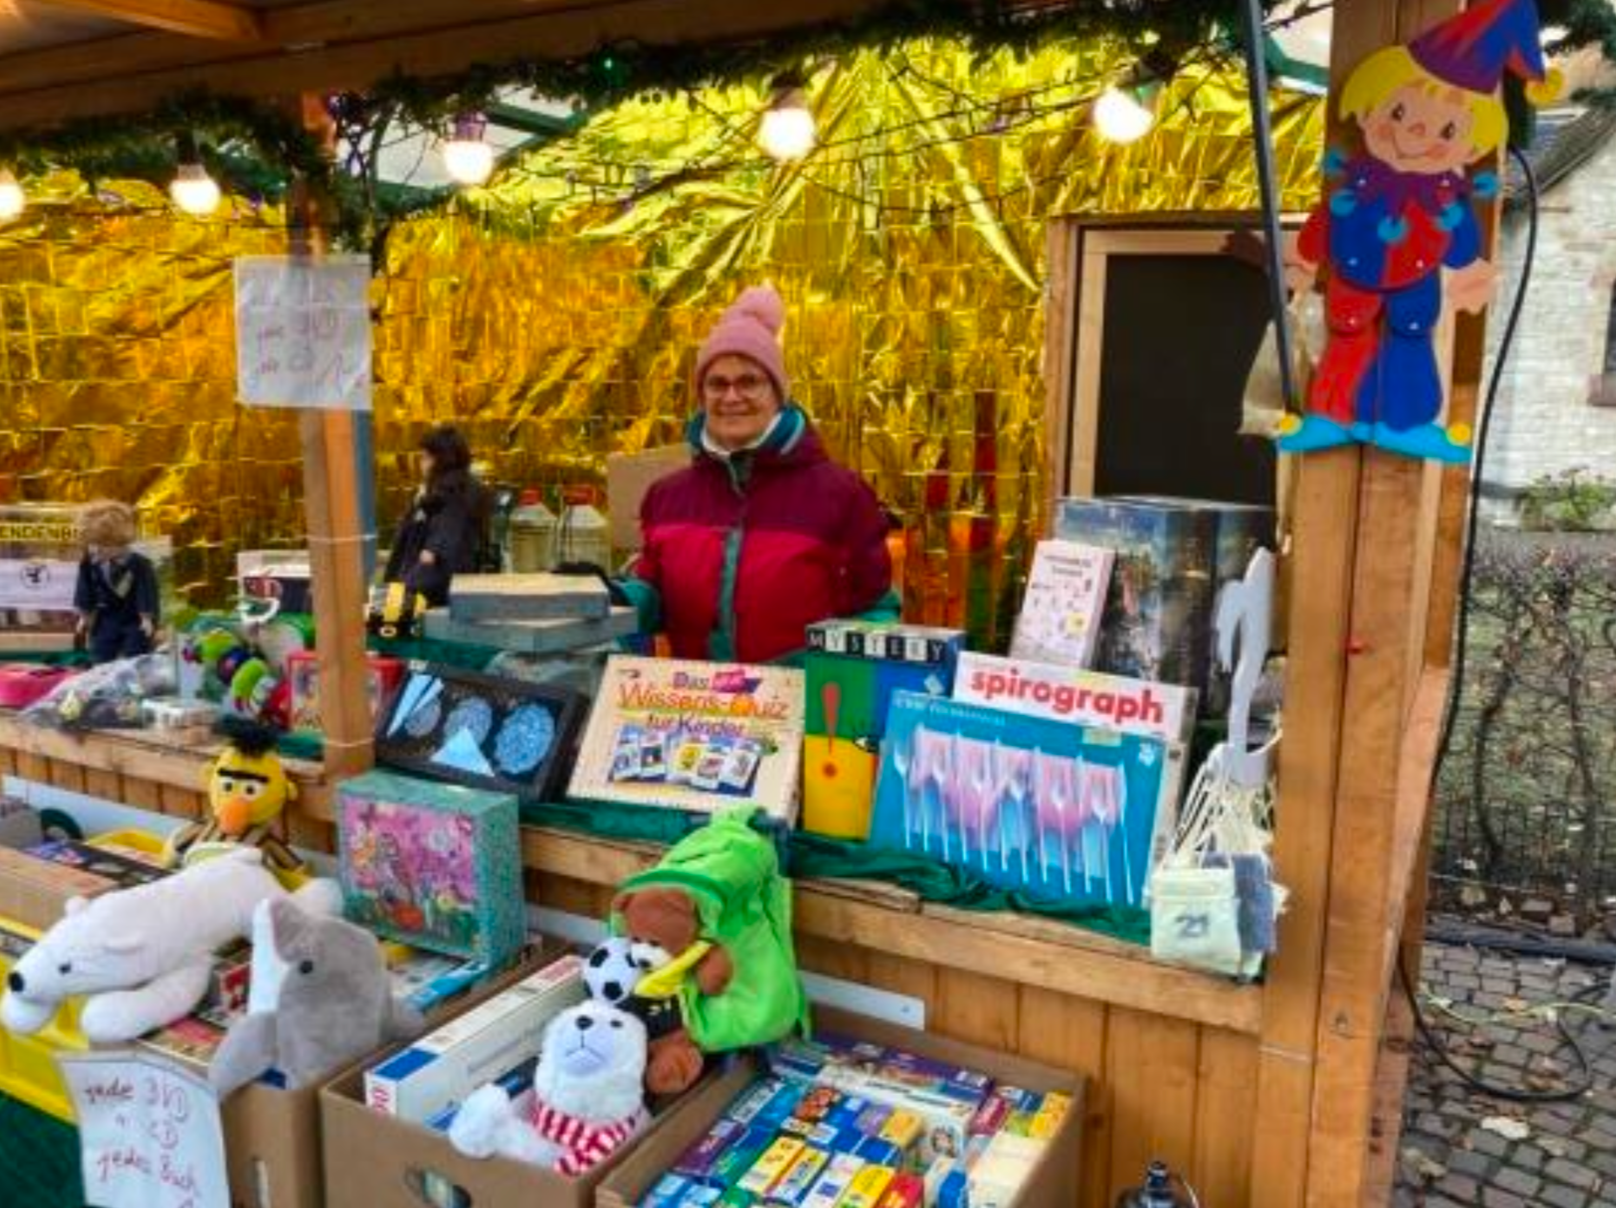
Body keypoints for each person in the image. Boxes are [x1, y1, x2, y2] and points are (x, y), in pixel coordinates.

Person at [623, 285, 897, 664]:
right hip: (693, 712)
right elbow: (653, 595)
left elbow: (877, 611)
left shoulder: (841, 495)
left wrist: (818, 667)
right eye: (717, 383)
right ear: (701, 397)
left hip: (802, 712)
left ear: (778, 393)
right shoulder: (667, 497)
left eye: (749, 381)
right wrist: (616, 599)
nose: (732, 396)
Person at [384, 425, 489, 607]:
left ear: (441, 460)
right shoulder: (454, 489)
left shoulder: (451, 494)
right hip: (447, 592)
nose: (421, 464)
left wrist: (400, 595)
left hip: (432, 597)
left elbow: (434, 554)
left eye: (425, 458)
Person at [73, 499, 159, 664]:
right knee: (101, 651)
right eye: (92, 544)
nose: (96, 550)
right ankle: (100, 680)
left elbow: (146, 590)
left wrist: (147, 617)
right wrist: (84, 616)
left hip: (134, 618)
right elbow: (85, 588)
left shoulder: (139, 564)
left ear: (120, 542)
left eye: (103, 545)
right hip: (107, 617)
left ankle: (134, 681)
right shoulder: (90, 562)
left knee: (135, 653)